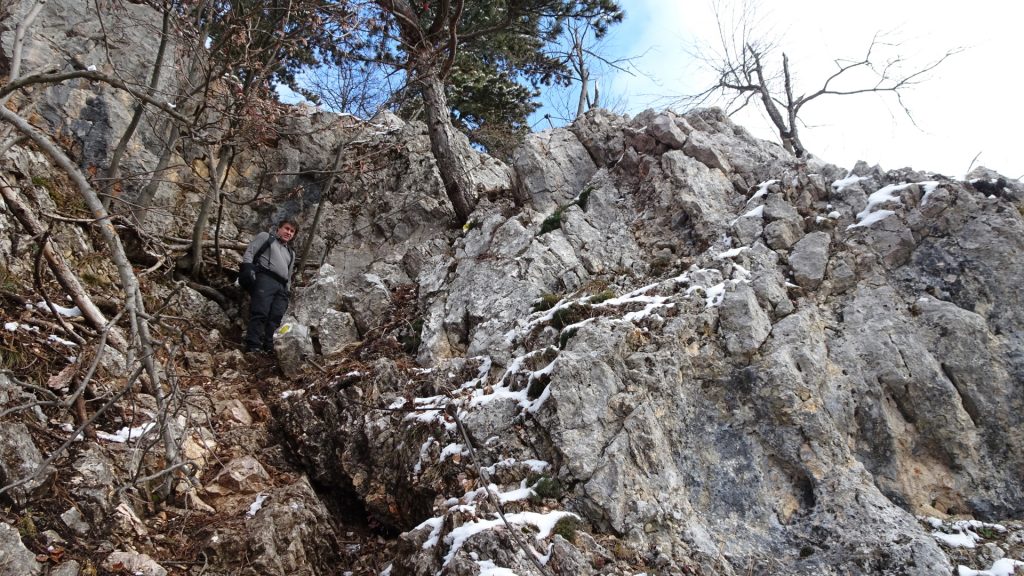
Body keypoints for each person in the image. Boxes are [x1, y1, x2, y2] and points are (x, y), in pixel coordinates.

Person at [242, 219, 297, 353]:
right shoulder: (266, 237)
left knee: (276, 318)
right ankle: (253, 345)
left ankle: (269, 346)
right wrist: (248, 268)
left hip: (282, 286)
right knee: (260, 311)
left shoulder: (291, 253)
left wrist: (287, 290)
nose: (288, 232)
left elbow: (289, 275)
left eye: (292, 231)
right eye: (286, 228)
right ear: (278, 228)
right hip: (265, 278)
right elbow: (250, 252)